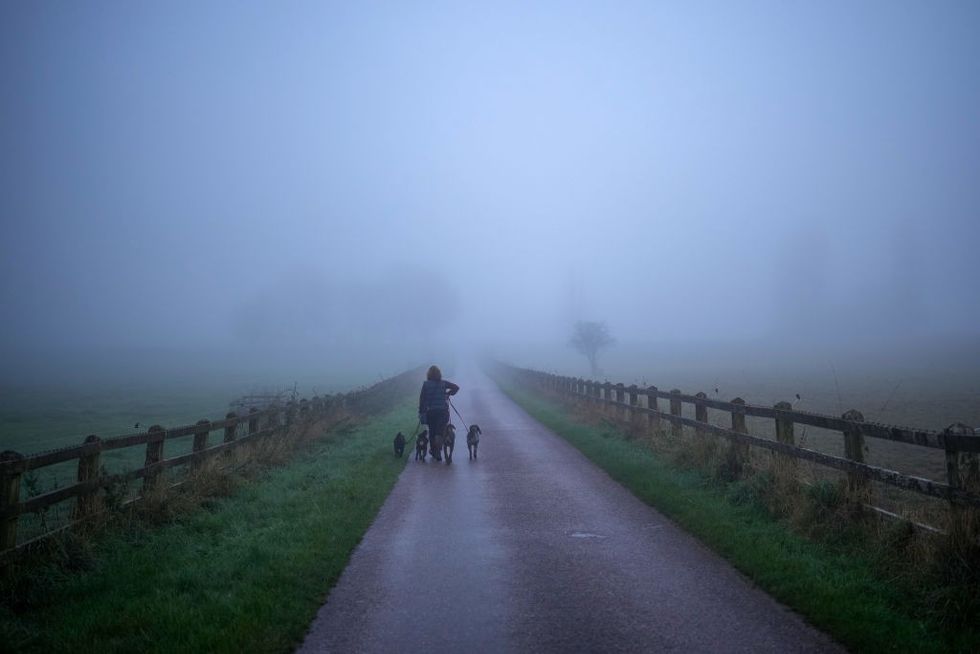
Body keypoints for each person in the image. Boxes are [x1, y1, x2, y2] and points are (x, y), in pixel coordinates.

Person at [418, 365, 459, 461]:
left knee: (432, 432)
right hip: (443, 412)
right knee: (440, 431)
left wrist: (421, 411)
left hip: (431, 412)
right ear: (439, 374)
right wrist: (448, 393)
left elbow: (422, 399)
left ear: (429, 374)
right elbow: (456, 387)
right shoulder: (443, 383)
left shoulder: (426, 384)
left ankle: (434, 451)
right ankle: (439, 448)